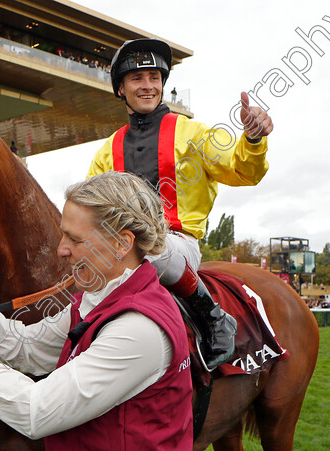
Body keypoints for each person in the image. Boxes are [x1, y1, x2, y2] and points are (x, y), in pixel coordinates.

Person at [0, 172, 192, 450]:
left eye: (75, 239)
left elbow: (36, 412)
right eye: (63, 235)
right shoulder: (98, 297)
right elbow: (31, 347)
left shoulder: (138, 329)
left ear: (122, 243)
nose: (61, 250)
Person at [87, 38, 274, 370]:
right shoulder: (107, 151)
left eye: (154, 78)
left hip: (177, 246)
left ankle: (214, 318)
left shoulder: (194, 133)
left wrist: (253, 138)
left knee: (146, 247)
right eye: (137, 78)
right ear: (120, 89)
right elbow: (91, 212)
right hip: (119, 252)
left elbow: (242, 170)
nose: (148, 86)